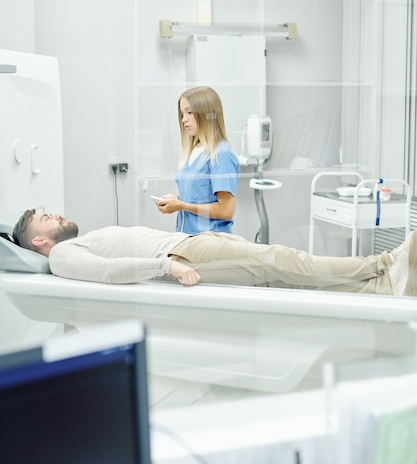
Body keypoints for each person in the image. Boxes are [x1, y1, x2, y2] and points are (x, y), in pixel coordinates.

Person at [12, 208, 415, 297]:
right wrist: (164, 265)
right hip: (184, 255)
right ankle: (381, 265)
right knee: (280, 262)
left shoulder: (68, 247)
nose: (56, 214)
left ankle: (379, 288)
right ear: (38, 242)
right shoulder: (61, 257)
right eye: (46, 218)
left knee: (281, 273)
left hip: (188, 248)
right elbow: (107, 272)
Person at [155, 86, 240, 234]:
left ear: (207, 114)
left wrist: (181, 205)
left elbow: (226, 210)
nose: (183, 119)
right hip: (188, 238)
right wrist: (176, 200)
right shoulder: (193, 151)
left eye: (189, 112)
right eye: (182, 114)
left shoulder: (221, 154)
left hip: (211, 240)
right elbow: (201, 195)